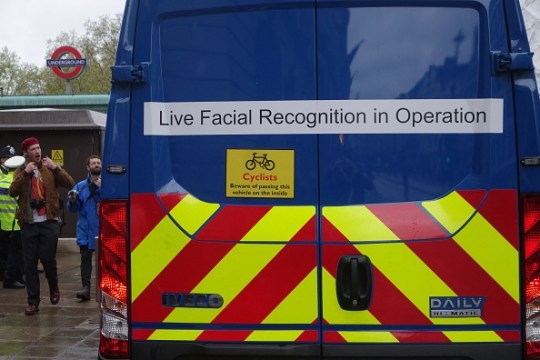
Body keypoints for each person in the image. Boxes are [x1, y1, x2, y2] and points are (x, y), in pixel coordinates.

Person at [9, 137, 74, 315]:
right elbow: (12, 192)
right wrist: (25, 174)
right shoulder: (21, 171)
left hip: (48, 222)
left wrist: (56, 168)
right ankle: (33, 302)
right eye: (33, 149)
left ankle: (54, 286)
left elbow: (70, 183)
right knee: (29, 265)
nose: (37, 152)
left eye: (38, 148)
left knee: (47, 259)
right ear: (26, 154)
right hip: (29, 224)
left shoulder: (49, 169)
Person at [67, 154, 101, 301]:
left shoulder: (108, 183)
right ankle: (86, 288)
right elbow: (73, 209)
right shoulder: (80, 186)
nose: (96, 165)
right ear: (88, 167)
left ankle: (107, 289)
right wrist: (73, 200)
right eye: (93, 163)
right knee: (85, 259)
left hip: (102, 229)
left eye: (98, 163)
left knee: (106, 262)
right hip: (85, 230)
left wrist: (100, 189)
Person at [0, 145, 25, 289]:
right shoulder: (17, 182)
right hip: (15, 223)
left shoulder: (2, 181)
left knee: (9, 253)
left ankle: (13, 277)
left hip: (4, 223)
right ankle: (10, 279)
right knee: (14, 253)